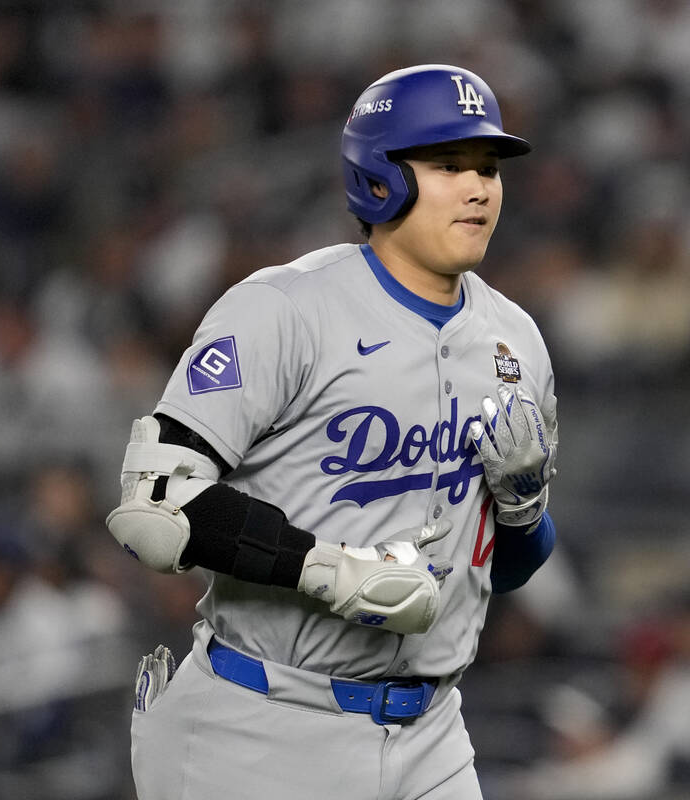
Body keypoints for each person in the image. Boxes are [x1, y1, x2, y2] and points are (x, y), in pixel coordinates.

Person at [106, 64, 560, 799]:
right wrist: (332, 571)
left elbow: (507, 570)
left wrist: (524, 508)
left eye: (489, 167)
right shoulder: (285, 310)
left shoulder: (517, 342)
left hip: (434, 732)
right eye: (449, 165)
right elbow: (156, 506)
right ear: (381, 178)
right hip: (260, 724)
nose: (480, 187)